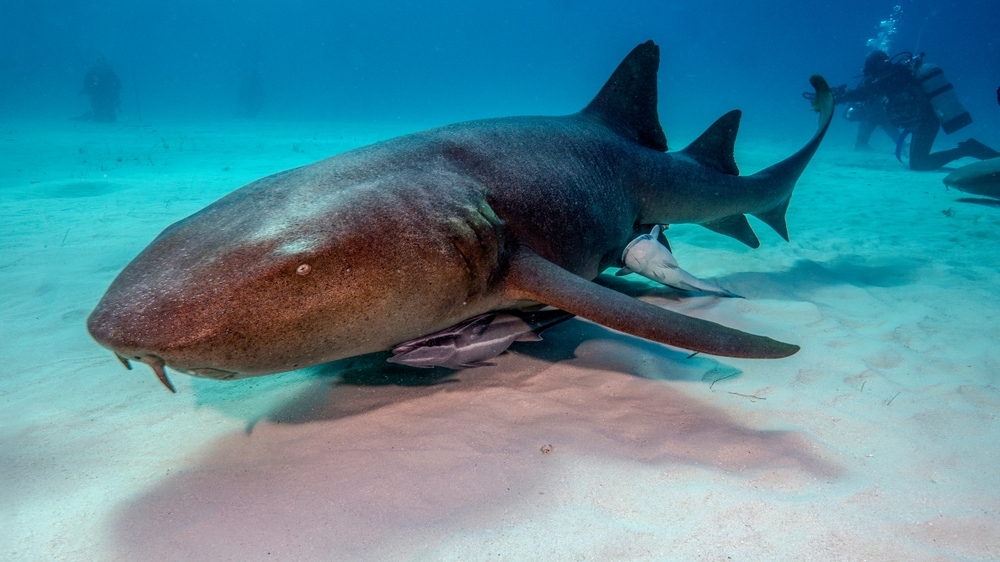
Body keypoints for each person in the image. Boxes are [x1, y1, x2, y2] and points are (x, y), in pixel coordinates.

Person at [830, 50, 999, 171]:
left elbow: (867, 92)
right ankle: (972, 151)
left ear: (876, 66)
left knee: (919, 164)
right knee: (918, 163)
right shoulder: (893, 75)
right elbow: (869, 92)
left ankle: (967, 149)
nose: (868, 74)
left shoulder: (894, 75)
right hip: (921, 122)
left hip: (926, 121)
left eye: (869, 69)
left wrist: (841, 97)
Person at [78, 57, 121, 122]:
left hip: (101, 93)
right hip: (102, 93)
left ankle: (101, 117)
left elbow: (118, 83)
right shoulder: (105, 71)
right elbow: (118, 83)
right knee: (106, 108)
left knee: (103, 108)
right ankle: (103, 117)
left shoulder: (96, 71)